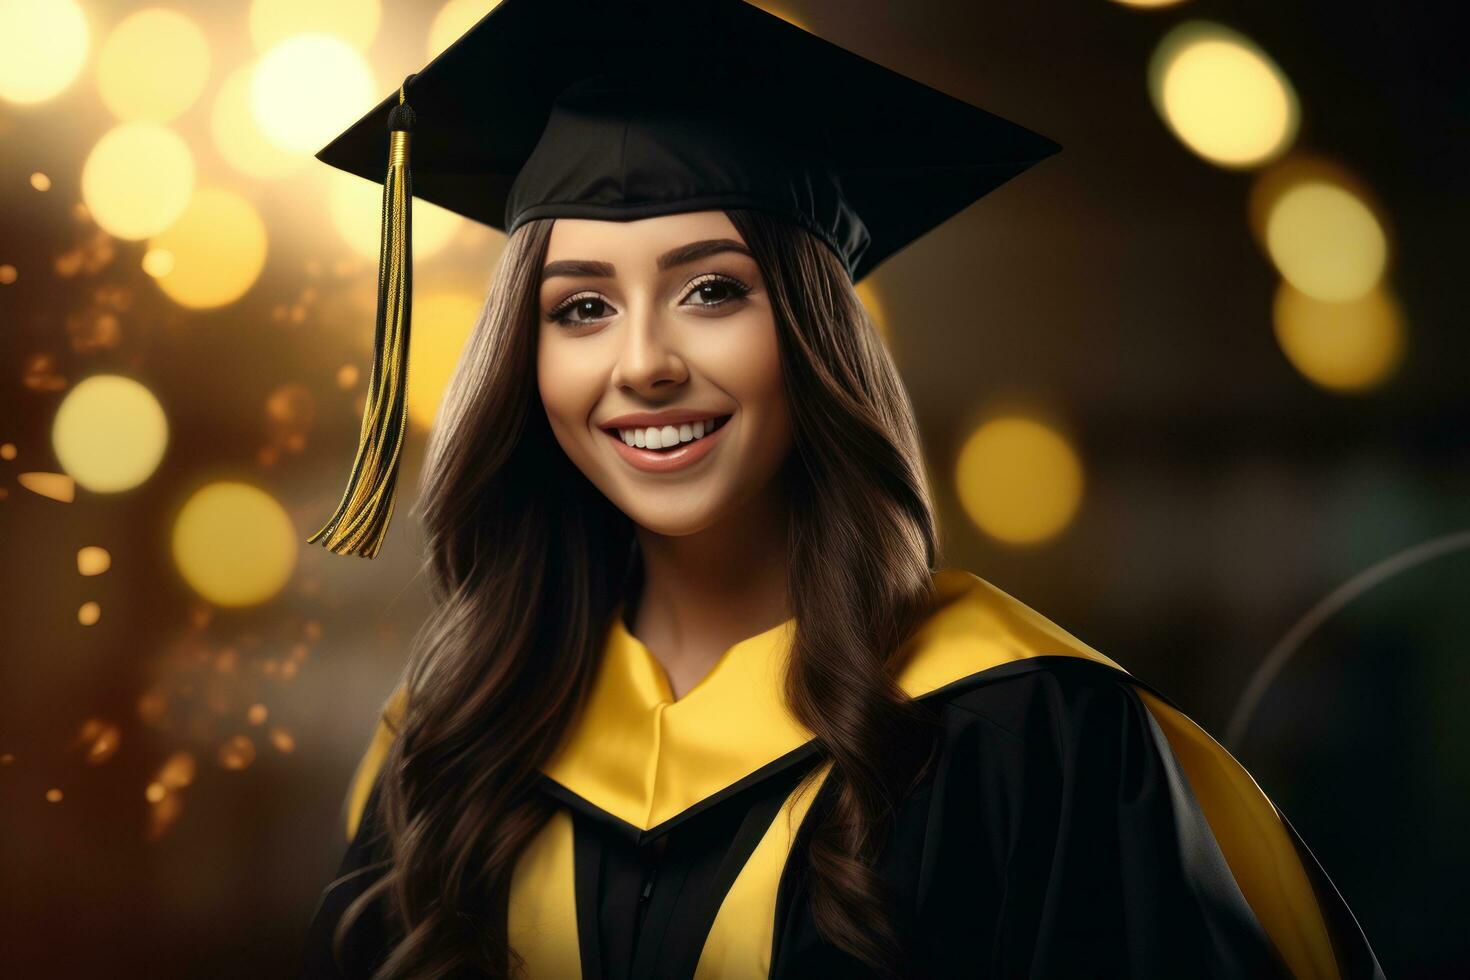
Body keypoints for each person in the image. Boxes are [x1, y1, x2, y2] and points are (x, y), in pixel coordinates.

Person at [297, 1, 1385, 977]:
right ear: (523, 364)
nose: (642, 363)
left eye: (712, 290)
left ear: (815, 336)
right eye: (581, 307)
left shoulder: (1025, 733)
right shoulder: (446, 753)